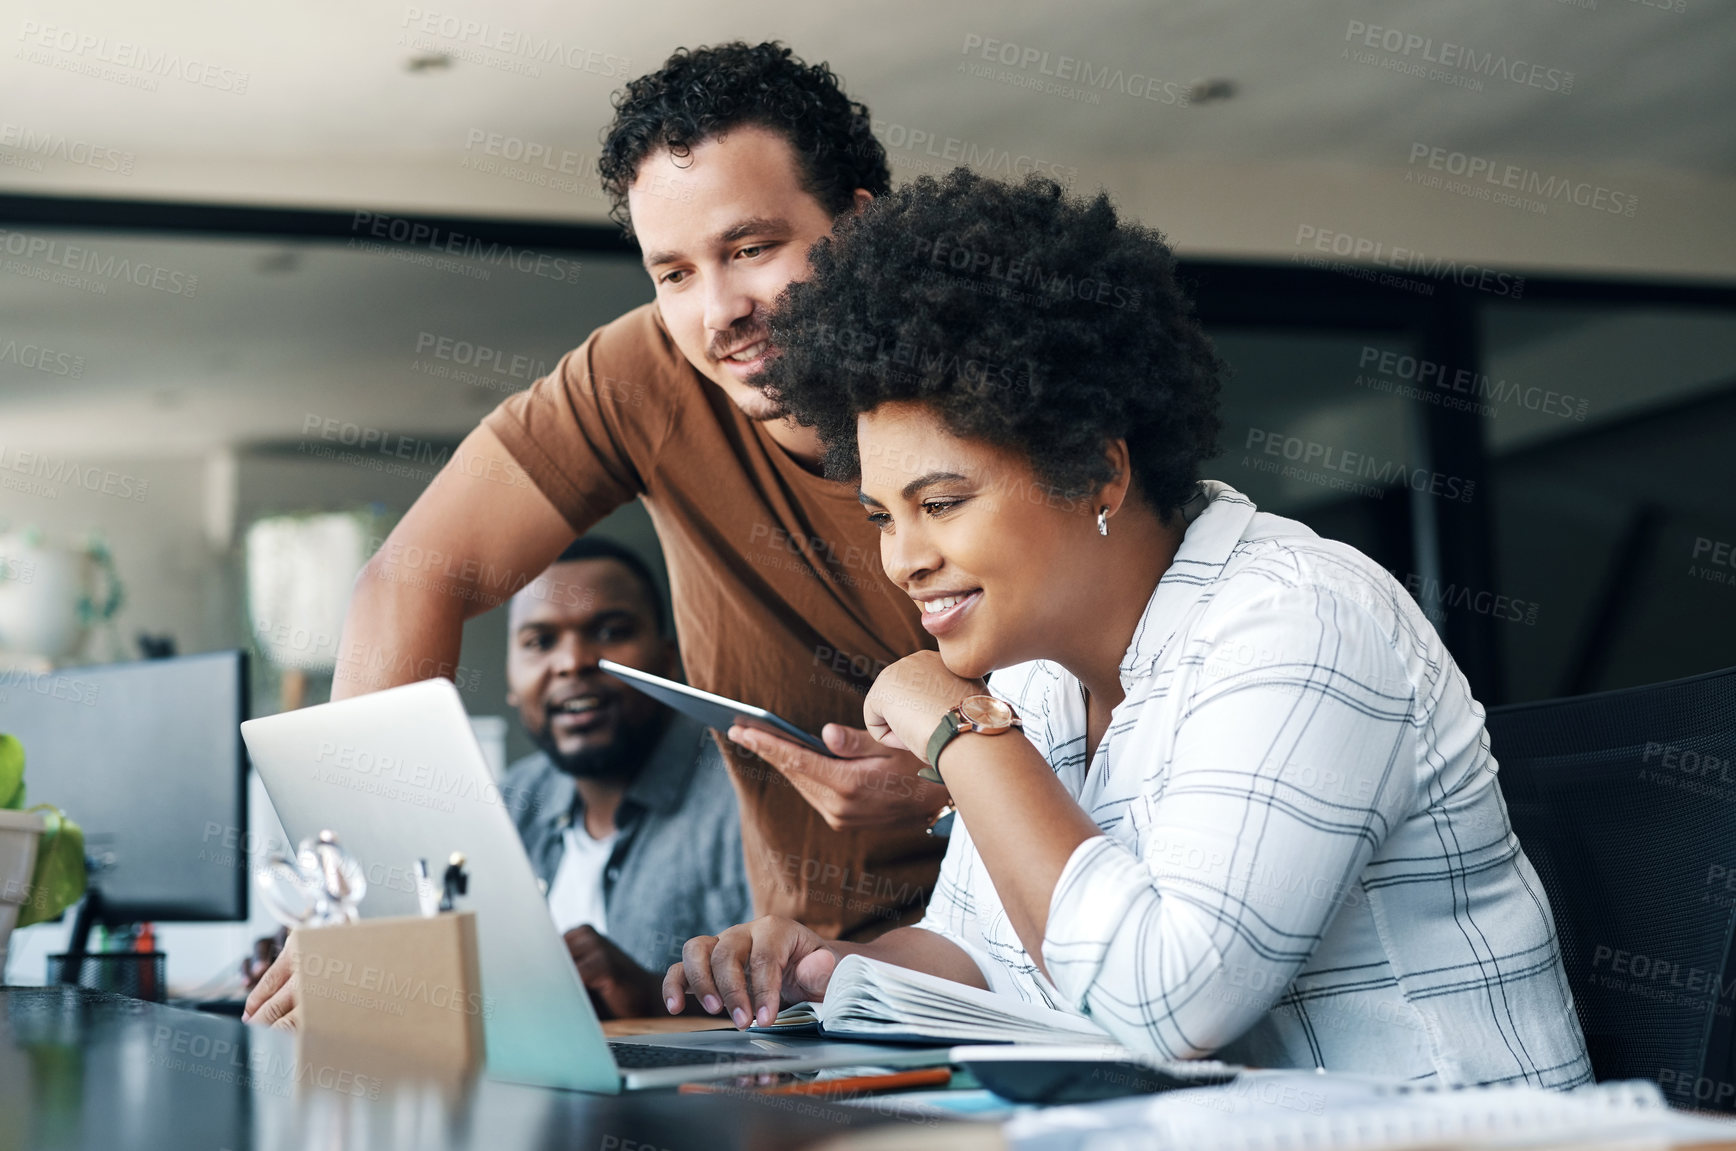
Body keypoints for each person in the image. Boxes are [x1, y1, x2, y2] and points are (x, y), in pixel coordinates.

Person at [661, 170, 1594, 1086]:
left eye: (939, 503)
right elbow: (986, 956)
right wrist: (825, 968)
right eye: (881, 518)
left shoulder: (1296, 617)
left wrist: (953, 724)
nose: (902, 559)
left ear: (1097, 471)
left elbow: (1169, 1007)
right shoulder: (1041, 675)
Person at [324, 41, 946, 944]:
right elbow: (410, 576)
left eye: (753, 248)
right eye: (675, 273)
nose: (718, 309)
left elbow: (1135, 744)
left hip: (1033, 982)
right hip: (812, 991)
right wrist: (372, 926)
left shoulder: (988, 394)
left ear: (858, 228)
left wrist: (951, 794)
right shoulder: (645, 373)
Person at [243, 537, 752, 1027]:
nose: (572, 661)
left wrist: (652, 997)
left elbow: (806, 1004)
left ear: (667, 661)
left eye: (610, 631)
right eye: (539, 641)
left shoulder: (747, 797)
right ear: (511, 678)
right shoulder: (508, 801)